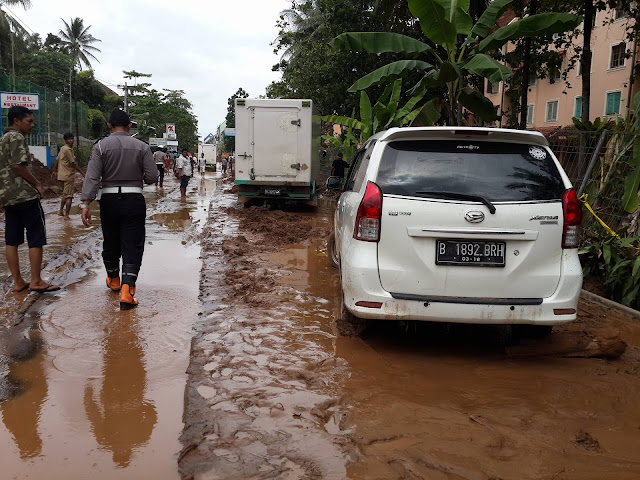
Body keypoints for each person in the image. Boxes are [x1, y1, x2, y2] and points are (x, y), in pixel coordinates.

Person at [80, 109, 157, 309]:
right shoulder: (142, 146)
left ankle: (113, 280)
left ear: (109, 126)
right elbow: (151, 177)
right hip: (134, 199)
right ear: (130, 126)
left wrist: (85, 204)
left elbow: (92, 177)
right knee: (133, 243)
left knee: (111, 240)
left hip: (108, 200)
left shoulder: (101, 147)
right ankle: (127, 290)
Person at [0, 106, 60, 293]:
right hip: (25, 195)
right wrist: (37, 184)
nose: (32, 125)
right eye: (29, 121)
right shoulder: (17, 137)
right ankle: (36, 281)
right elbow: (18, 166)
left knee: (12, 240)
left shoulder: (2, 139)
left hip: (8, 197)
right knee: (36, 237)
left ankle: (18, 281)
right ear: (16, 121)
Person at [53, 132, 84, 219]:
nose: (72, 140)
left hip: (61, 175)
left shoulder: (62, 148)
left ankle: (60, 211)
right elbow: (73, 163)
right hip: (68, 175)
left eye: (72, 138)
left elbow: (57, 160)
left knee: (65, 194)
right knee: (69, 196)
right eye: (69, 139)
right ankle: (67, 215)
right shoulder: (68, 150)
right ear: (66, 140)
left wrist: (55, 171)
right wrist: (82, 173)